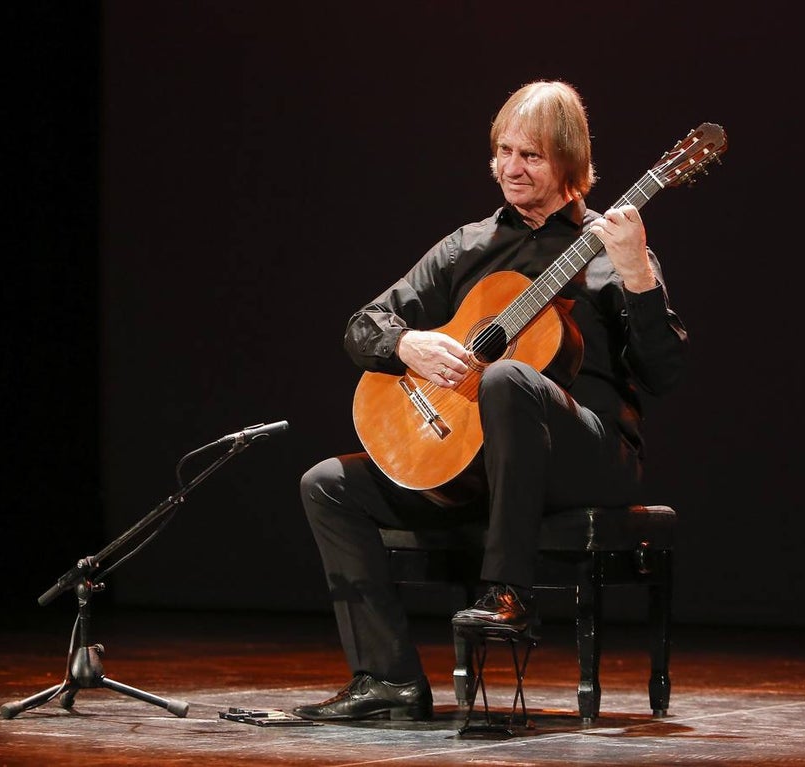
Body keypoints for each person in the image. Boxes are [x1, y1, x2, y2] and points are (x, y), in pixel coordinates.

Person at [293, 79, 688, 722]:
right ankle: (388, 679)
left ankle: (509, 593)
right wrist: (408, 345)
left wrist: (639, 276)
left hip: (587, 456)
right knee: (328, 485)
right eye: (504, 151)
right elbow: (363, 325)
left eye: (530, 155)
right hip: (482, 462)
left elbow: (664, 373)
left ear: (570, 163)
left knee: (506, 379)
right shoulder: (468, 245)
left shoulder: (610, 251)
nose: (511, 168)